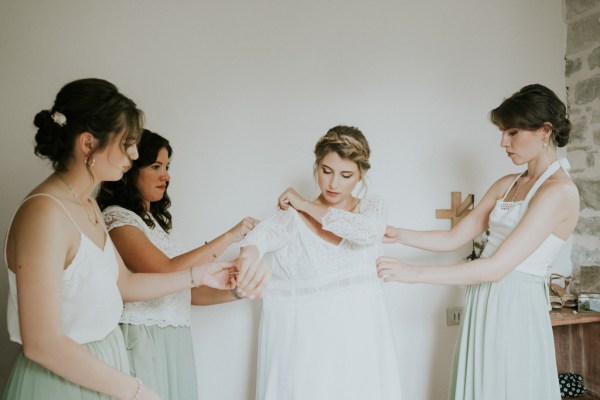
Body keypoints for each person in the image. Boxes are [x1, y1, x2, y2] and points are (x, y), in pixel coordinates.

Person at [3, 78, 237, 400]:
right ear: (88, 144)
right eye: (126, 143)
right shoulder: (44, 214)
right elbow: (42, 342)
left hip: (105, 367)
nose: (135, 153)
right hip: (62, 383)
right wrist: (136, 390)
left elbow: (123, 283)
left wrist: (198, 275)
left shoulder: (89, 206)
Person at [376, 84, 578, 400]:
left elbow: (497, 267)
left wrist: (415, 274)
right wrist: (397, 233)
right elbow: (454, 237)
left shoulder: (559, 192)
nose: (502, 143)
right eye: (502, 132)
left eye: (512, 132)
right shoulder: (507, 184)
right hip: (483, 294)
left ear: (544, 131)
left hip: (515, 303)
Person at [96, 129, 268, 399]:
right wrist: (230, 236)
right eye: (155, 166)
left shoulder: (161, 227)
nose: (166, 175)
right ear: (131, 170)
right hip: (141, 337)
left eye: (167, 166)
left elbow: (185, 290)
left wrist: (239, 291)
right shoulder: (118, 219)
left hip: (175, 338)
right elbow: (163, 271)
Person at [235, 125, 403, 400]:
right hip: (307, 358)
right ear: (316, 166)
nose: (333, 184)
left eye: (346, 175)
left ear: (362, 174)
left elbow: (367, 232)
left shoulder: (371, 207)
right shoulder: (291, 218)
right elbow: (256, 240)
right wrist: (247, 258)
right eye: (326, 171)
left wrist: (303, 203)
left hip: (361, 354)